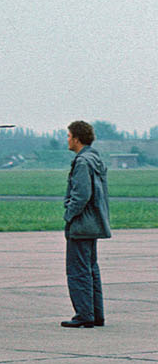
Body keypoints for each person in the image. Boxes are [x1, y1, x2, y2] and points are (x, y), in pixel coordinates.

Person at [62, 120, 111, 328]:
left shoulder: (82, 162)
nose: (67, 139)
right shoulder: (95, 159)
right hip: (94, 223)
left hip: (81, 225)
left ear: (77, 138)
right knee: (91, 269)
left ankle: (84, 315)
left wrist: (69, 215)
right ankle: (96, 314)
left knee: (78, 270)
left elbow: (81, 194)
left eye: (69, 135)